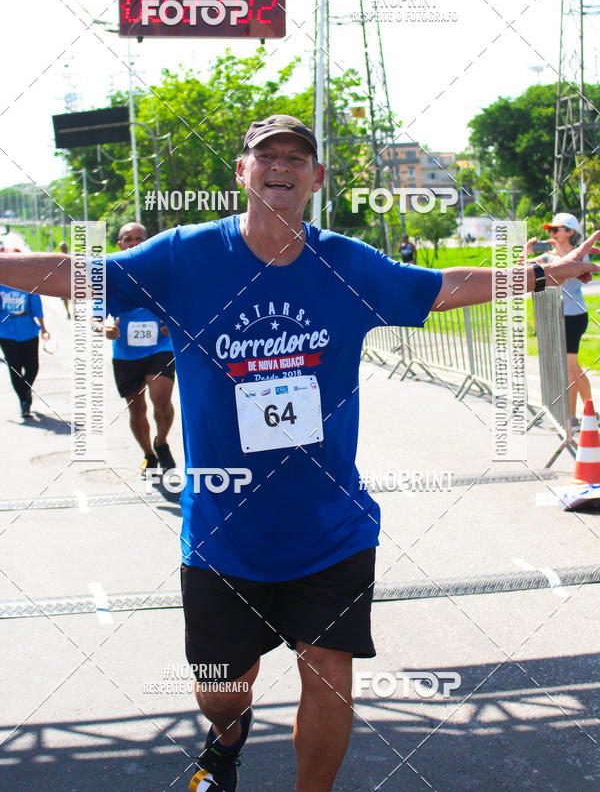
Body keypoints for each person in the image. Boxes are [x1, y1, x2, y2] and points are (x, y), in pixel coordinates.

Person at [0, 114, 598, 792]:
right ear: (242, 172)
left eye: (297, 157)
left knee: (331, 672)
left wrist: (541, 276)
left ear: (316, 178)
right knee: (223, 690)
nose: (280, 165)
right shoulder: (184, 257)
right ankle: (226, 739)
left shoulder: (346, 264)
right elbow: (77, 273)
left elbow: (439, 287)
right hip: (225, 534)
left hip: (332, 528)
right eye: (266, 155)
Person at [96, 222, 177, 478]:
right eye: (128, 239)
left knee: (162, 400)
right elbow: (95, 318)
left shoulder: (162, 273)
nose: (133, 243)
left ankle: (161, 442)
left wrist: (172, 325)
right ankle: (148, 455)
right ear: (120, 245)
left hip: (160, 348)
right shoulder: (111, 277)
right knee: (136, 409)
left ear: (147, 241)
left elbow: (181, 307)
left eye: (139, 238)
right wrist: (105, 330)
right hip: (126, 355)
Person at [527, 212, 592, 431]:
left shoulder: (579, 255)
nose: (551, 233)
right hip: (557, 316)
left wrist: (557, 254)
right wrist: (527, 251)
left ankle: (576, 416)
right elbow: (520, 270)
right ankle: (583, 413)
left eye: (556, 230)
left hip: (574, 316)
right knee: (570, 368)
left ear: (570, 232)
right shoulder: (548, 257)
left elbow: (575, 270)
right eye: (549, 230)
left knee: (570, 367)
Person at [0, 239, 50, 419]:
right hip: (6, 331)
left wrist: (44, 328)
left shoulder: (29, 283)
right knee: (14, 367)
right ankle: (24, 401)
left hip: (28, 329)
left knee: (32, 366)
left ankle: (26, 389)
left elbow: (37, 307)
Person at [58, 240, 71, 319]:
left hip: (72, 279)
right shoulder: (58, 258)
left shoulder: (71, 256)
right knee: (64, 298)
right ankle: (68, 312)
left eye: (65, 247)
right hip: (63, 281)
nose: (64, 249)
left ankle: (75, 311)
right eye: (62, 248)